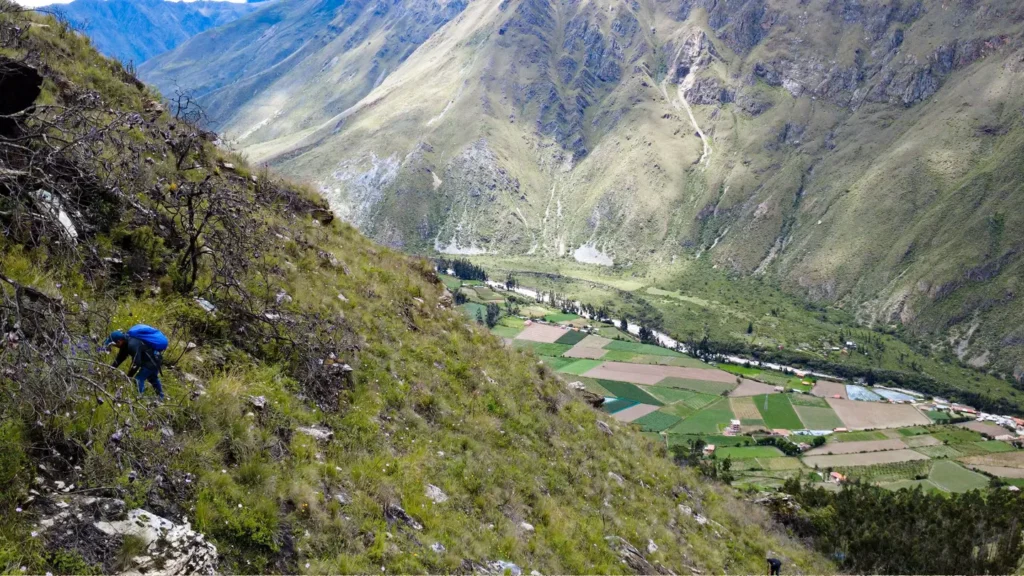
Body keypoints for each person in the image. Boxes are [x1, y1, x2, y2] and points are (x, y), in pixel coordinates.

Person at [106, 329, 164, 400]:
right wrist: (109, 370)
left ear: (119, 341)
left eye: (114, 344)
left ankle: (140, 399)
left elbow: (137, 363)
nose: (114, 346)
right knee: (152, 378)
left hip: (152, 360)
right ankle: (161, 398)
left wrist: (129, 377)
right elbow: (119, 359)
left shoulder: (132, 344)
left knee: (138, 379)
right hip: (153, 359)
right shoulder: (125, 344)